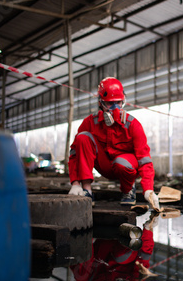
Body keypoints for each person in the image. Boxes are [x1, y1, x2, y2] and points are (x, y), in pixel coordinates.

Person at [68, 77, 159, 209]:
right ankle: (86, 190)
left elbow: (144, 160)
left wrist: (148, 190)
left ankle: (128, 190)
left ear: (124, 101)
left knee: (122, 162)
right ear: (101, 103)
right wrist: (75, 183)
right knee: (82, 137)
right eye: (110, 104)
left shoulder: (133, 125)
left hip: (125, 167)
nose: (115, 108)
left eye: (119, 103)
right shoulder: (90, 123)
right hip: (104, 165)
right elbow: (75, 153)